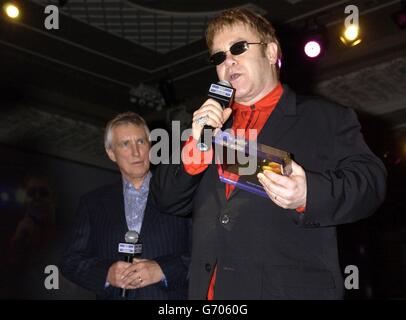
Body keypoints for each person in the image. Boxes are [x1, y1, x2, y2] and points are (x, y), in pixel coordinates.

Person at [150, 8, 387, 300]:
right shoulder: (206, 126)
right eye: (218, 56)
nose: (229, 61)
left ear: (271, 51)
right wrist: (198, 147)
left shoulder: (324, 117)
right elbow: (166, 198)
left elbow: (371, 184)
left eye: (238, 47)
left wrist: (308, 194)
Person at [60, 112, 190, 300]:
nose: (136, 152)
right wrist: (106, 273)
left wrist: (162, 270)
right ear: (111, 153)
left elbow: (205, 255)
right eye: (125, 144)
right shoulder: (92, 203)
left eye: (141, 142)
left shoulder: (182, 194)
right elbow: (70, 261)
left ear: (151, 146)